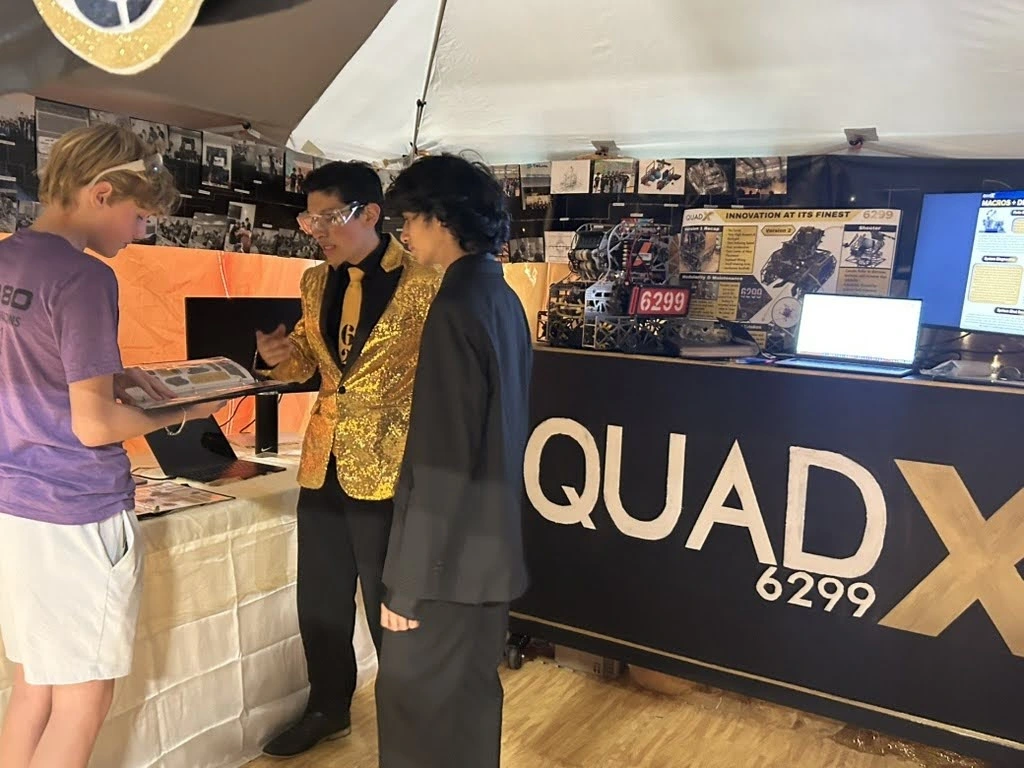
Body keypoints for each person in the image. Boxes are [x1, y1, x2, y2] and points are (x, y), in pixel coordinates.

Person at [0, 123, 224, 768]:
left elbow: (32, 369)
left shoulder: (8, 259)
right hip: (75, 509)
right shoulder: (85, 278)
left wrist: (118, 380)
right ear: (101, 194)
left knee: (34, 687)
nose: (141, 232)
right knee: (82, 699)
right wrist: (183, 408)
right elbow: (93, 426)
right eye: (139, 215)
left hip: (15, 504)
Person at [256, 161, 439, 758]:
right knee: (320, 598)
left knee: (393, 605)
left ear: (371, 214)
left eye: (328, 218)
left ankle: (411, 726)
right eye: (309, 219)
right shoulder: (315, 281)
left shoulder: (427, 281)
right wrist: (277, 358)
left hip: (392, 467)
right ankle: (327, 707)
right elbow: (310, 362)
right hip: (323, 461)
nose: (317, 231)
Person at [375, 154, 534, 768]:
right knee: (469, 710)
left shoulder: (454, 308)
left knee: (415, 715)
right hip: (489, 554)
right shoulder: (502, 298)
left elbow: (443, 463)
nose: (405, 235)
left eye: (409, 220)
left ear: (440, 218)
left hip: (445, 568)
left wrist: (408, 586)